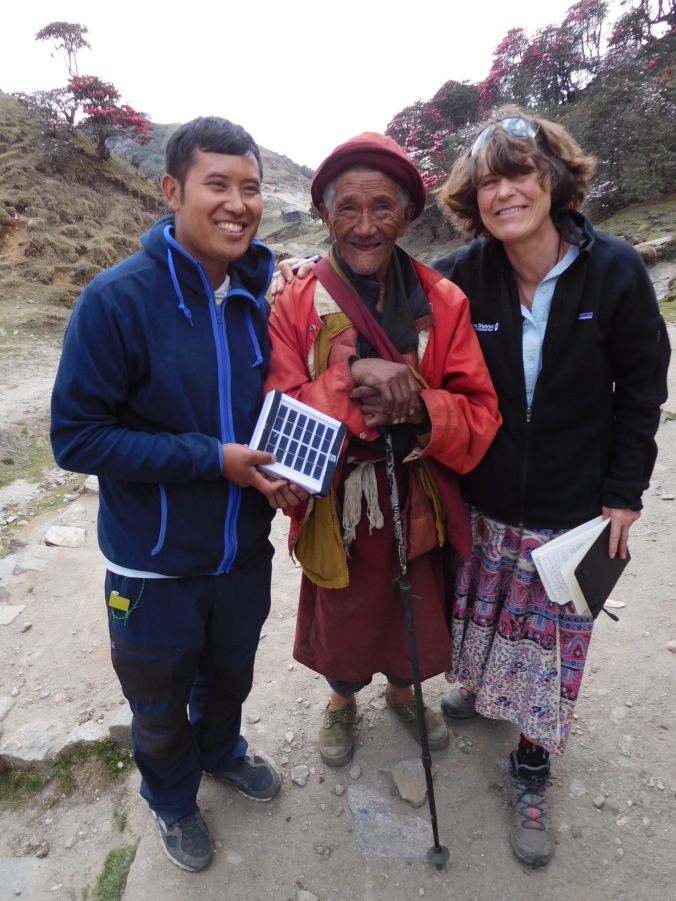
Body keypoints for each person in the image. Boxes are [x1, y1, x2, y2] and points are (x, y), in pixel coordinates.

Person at [50, 116, 307, 874]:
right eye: (217, 185)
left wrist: (282, 476)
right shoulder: (117, 300)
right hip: (153, 565)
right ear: (173, 191)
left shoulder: (261, 300)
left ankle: (222, 749)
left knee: (230, 672)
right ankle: (172, 799)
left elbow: (276, 411)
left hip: (241, 555)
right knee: (158, 704)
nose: (237, 203)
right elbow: (77, 437)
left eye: (250, 187)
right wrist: (212, 459)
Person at [432, 109, 670, 867]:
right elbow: (393, 308)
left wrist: (626, 494)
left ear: (554, 177)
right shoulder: (465, 275)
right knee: (481, 612)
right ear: (474, 197)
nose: (505, 191)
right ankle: (482, 687)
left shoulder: (615, 270)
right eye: (488, 179)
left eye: (520, 171)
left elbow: (641, 388)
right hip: (487, 494)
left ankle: (532, 759)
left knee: (556, 637)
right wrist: (307, 276)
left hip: (574, 505)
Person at [265, 132, 501, 768]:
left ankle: (402, 693)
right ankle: (342, 701)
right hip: (339, 496)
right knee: (341, 609)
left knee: (412, 605)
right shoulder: (295, 299)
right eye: (348, 207)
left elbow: (481, 414)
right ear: (324, 214)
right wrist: (353, 377)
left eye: (381, 208)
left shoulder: (443, 302)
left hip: (415, 489)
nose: (364, 226)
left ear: (407, 215)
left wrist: (421, 405)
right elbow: (277, 408)